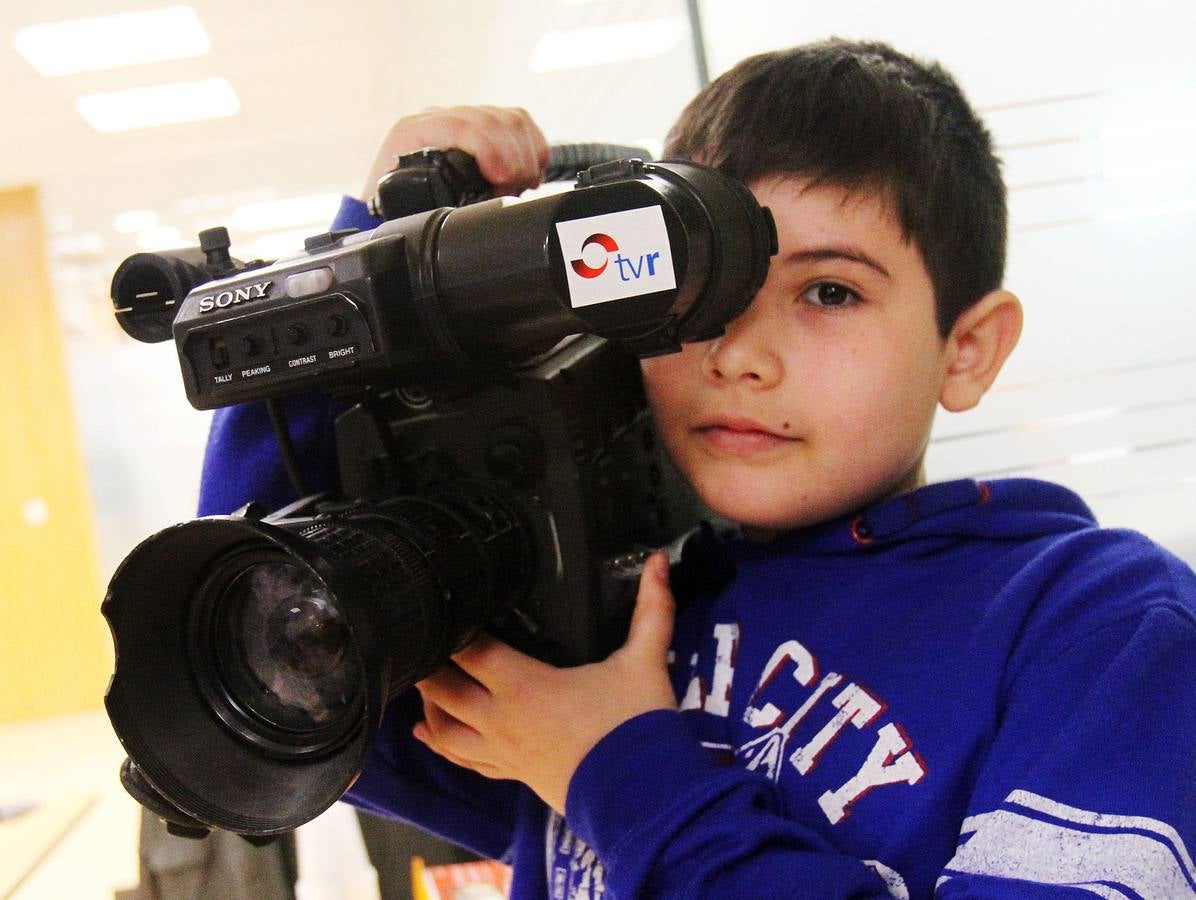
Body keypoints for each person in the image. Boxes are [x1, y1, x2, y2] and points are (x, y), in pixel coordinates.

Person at [199, 41, 1196, 898]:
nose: (741, 354)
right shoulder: (611, 607)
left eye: (831, 293)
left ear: (967, 349)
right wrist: (366, 248)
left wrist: (613, 768)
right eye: (699, 291)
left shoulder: (1095, 624)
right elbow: (273, 662)